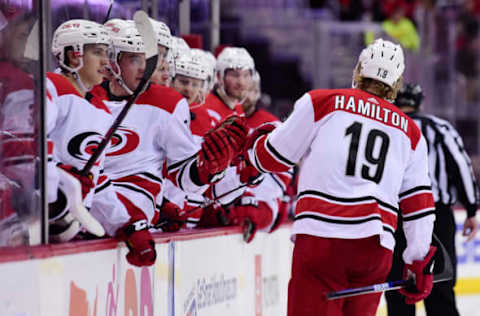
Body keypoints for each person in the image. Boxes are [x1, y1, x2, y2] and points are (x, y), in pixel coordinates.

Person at [244, 39, 437, 315]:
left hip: (321, 240)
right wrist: (418, 261)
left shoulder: (322, 101)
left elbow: (273, 158)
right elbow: (419, 205)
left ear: (359, 69)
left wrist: (255, 145)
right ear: (396, 83)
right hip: (374, 249)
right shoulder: (411, 132)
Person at [91, 19, 247, 265]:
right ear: (114, 60)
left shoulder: (167, 102)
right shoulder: (88, 97)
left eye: (151, 58)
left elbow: (186, 176)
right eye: (135, 59)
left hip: (135, 231)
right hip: (91, 221)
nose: (147, 67)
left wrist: (209, 168)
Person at [385, 83, 479, 316]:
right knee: (440, 287)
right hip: (436, 216)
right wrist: (471, 209)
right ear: (419, 102)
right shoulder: (439, 127)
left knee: (398, 290)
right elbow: (461, 167)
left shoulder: (387, 127)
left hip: (395, 215)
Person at [203, 47, 254, 121]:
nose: (241, 82)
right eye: (235, 75)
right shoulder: (206, 107)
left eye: (246, 75)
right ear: (219, 77)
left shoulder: (238, 107)